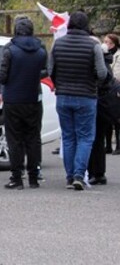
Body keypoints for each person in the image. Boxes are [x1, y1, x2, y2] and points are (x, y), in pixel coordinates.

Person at [49, 11, 107, 190]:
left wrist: (60, 84)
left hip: (63, 96)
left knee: (68, 137)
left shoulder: (57, 45)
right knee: (85, 137)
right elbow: (102, 73)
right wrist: (93, 84)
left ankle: (69, 176)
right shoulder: (93, 46)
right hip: (86, 96)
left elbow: (50, 70)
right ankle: (79, 175)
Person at [0, 16, 47, 190]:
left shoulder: (10, 49)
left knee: (14, 139)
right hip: (33, 98)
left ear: (16, 30)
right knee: (33, 138)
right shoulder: (41, 49)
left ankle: (17, 178)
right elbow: (45, 71)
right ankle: (34, 178)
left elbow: (2, 76)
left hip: (13, 100)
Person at [88, 35, 114, 185]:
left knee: (95, 139)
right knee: (97, 139)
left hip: (98, 102)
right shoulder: (106, 60)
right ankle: (97, 172)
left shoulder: (102, 62)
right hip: (102, 103)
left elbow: (104, 79)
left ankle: (96, 172)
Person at [105, 33, 120, 155]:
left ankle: (118, 145)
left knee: (117, 118)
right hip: (107, 89)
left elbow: (117, 74)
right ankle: (108, 145)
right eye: (105, 42)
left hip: (116, 88)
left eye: (109, 43)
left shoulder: (118, 56)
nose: (106, 45)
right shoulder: (104, 55)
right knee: (107, 119)